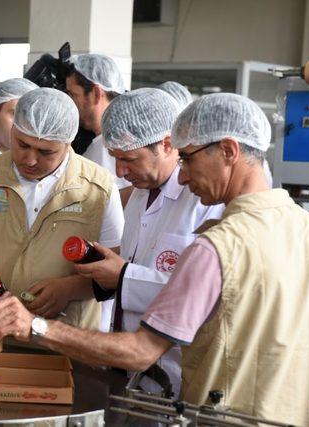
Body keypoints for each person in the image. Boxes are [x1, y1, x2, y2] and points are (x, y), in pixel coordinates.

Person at [0, 93, 309, 426]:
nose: (184, 171)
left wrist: (34, 325)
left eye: (188, 158)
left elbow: (141, 351)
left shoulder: (218, 246)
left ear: (228, 150)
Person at [0, 88, 124, 330]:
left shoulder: (100, 188)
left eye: (46, 152)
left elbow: (112, 271)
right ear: (13, 130)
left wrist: (69, 289)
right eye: (22, 145)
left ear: (69, 142)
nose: (30, 160)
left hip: (65, 342)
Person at [75, 88, 223, 395]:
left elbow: (203, 296)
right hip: (131, 365)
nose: (120, 171)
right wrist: (109, 275)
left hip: (176, 369)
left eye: (129, 159)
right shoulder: (139, 193)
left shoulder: (203, 201)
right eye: (115, 159)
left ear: (167, 144)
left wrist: (124, 276)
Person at [66, 54, 133, 206]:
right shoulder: (97, 142)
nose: (69, 102)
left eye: (73, 94)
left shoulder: (118, 145)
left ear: (96, 93)